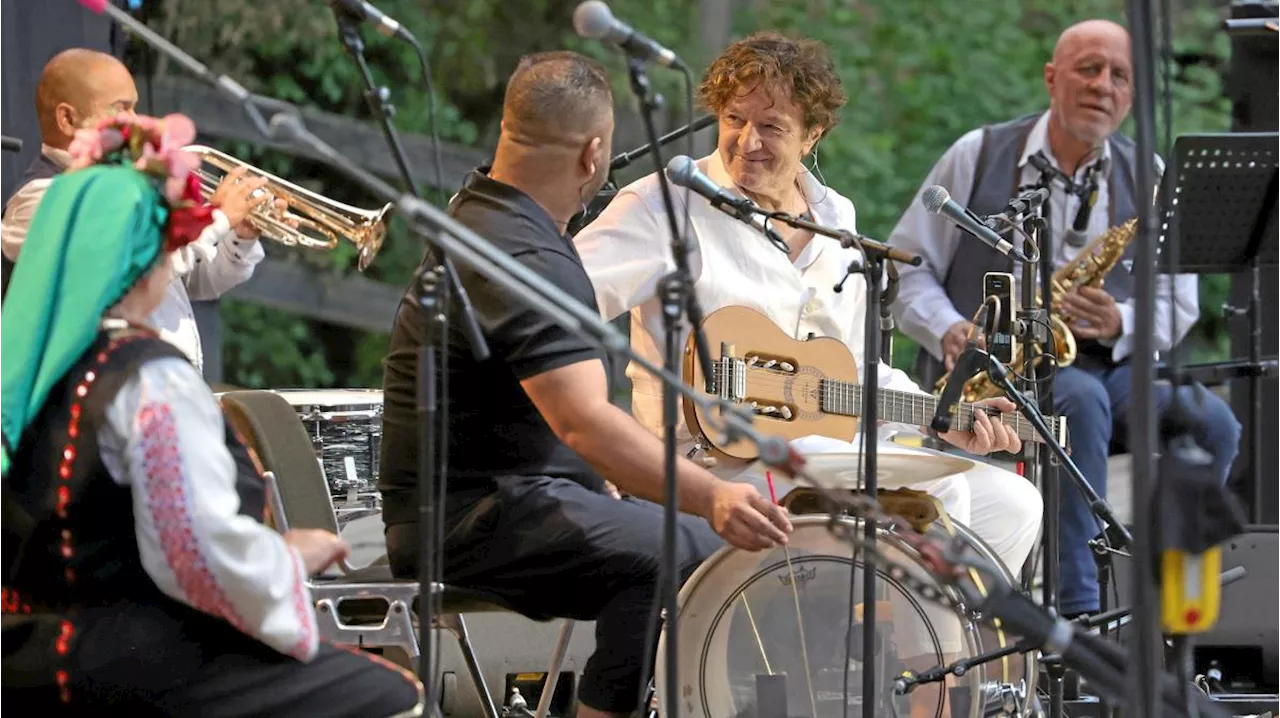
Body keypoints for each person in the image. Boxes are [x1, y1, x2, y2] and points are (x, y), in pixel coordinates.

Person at [572, 30, 1043, 716]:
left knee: (1011, 503)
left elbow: (851, 373)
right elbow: (557, 296)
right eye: (734, 120)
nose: (747, 142)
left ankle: (910, 672)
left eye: (772, 126)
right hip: (710, 460)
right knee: (934, 493)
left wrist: (943, 416)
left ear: (814, 133)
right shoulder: (666, 204)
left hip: (823, 449)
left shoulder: (838, 221)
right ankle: (927, 700)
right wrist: (593, 425)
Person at [377, 51, 791, 718]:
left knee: (676, 542)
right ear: (594, 154)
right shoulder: (526, 252)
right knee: (694, 553)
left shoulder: (483, 213)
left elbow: (526, 409)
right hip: (468, 522)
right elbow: (583, 420)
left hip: (477, 502)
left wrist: (592, 476)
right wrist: (712, 496)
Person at [0, 114, 423, 716]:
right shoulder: (151, 381)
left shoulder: (21, 367)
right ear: (151, 258)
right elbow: (197, 557)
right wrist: (287, 558)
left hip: (27, 651)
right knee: (392, 694)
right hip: (126, 661)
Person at [888, 19, 1241, 619]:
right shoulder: (977, 154)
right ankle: (1082, 612)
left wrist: (1122, 320)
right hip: (1003, 374)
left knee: (1215, 423)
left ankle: (1173, 598)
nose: (1103, 85)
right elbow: (908, 268)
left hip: (1112, 364)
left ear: (1131, 97)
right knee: (1080, 404)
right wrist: (949, 327)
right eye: (1088, 68)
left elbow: (1181, 300)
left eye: (1119, 76)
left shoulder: (1148, 173)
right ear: (1052, 78)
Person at [0, 48, 271, 372]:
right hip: (101, 407)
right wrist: (218, 218)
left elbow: (196, 279)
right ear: (68, 119)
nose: (138, 122)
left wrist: (239, 235)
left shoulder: (127, 189)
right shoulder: (39, 200)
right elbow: (130, 277)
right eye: (121, 109)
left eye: (135, 107)